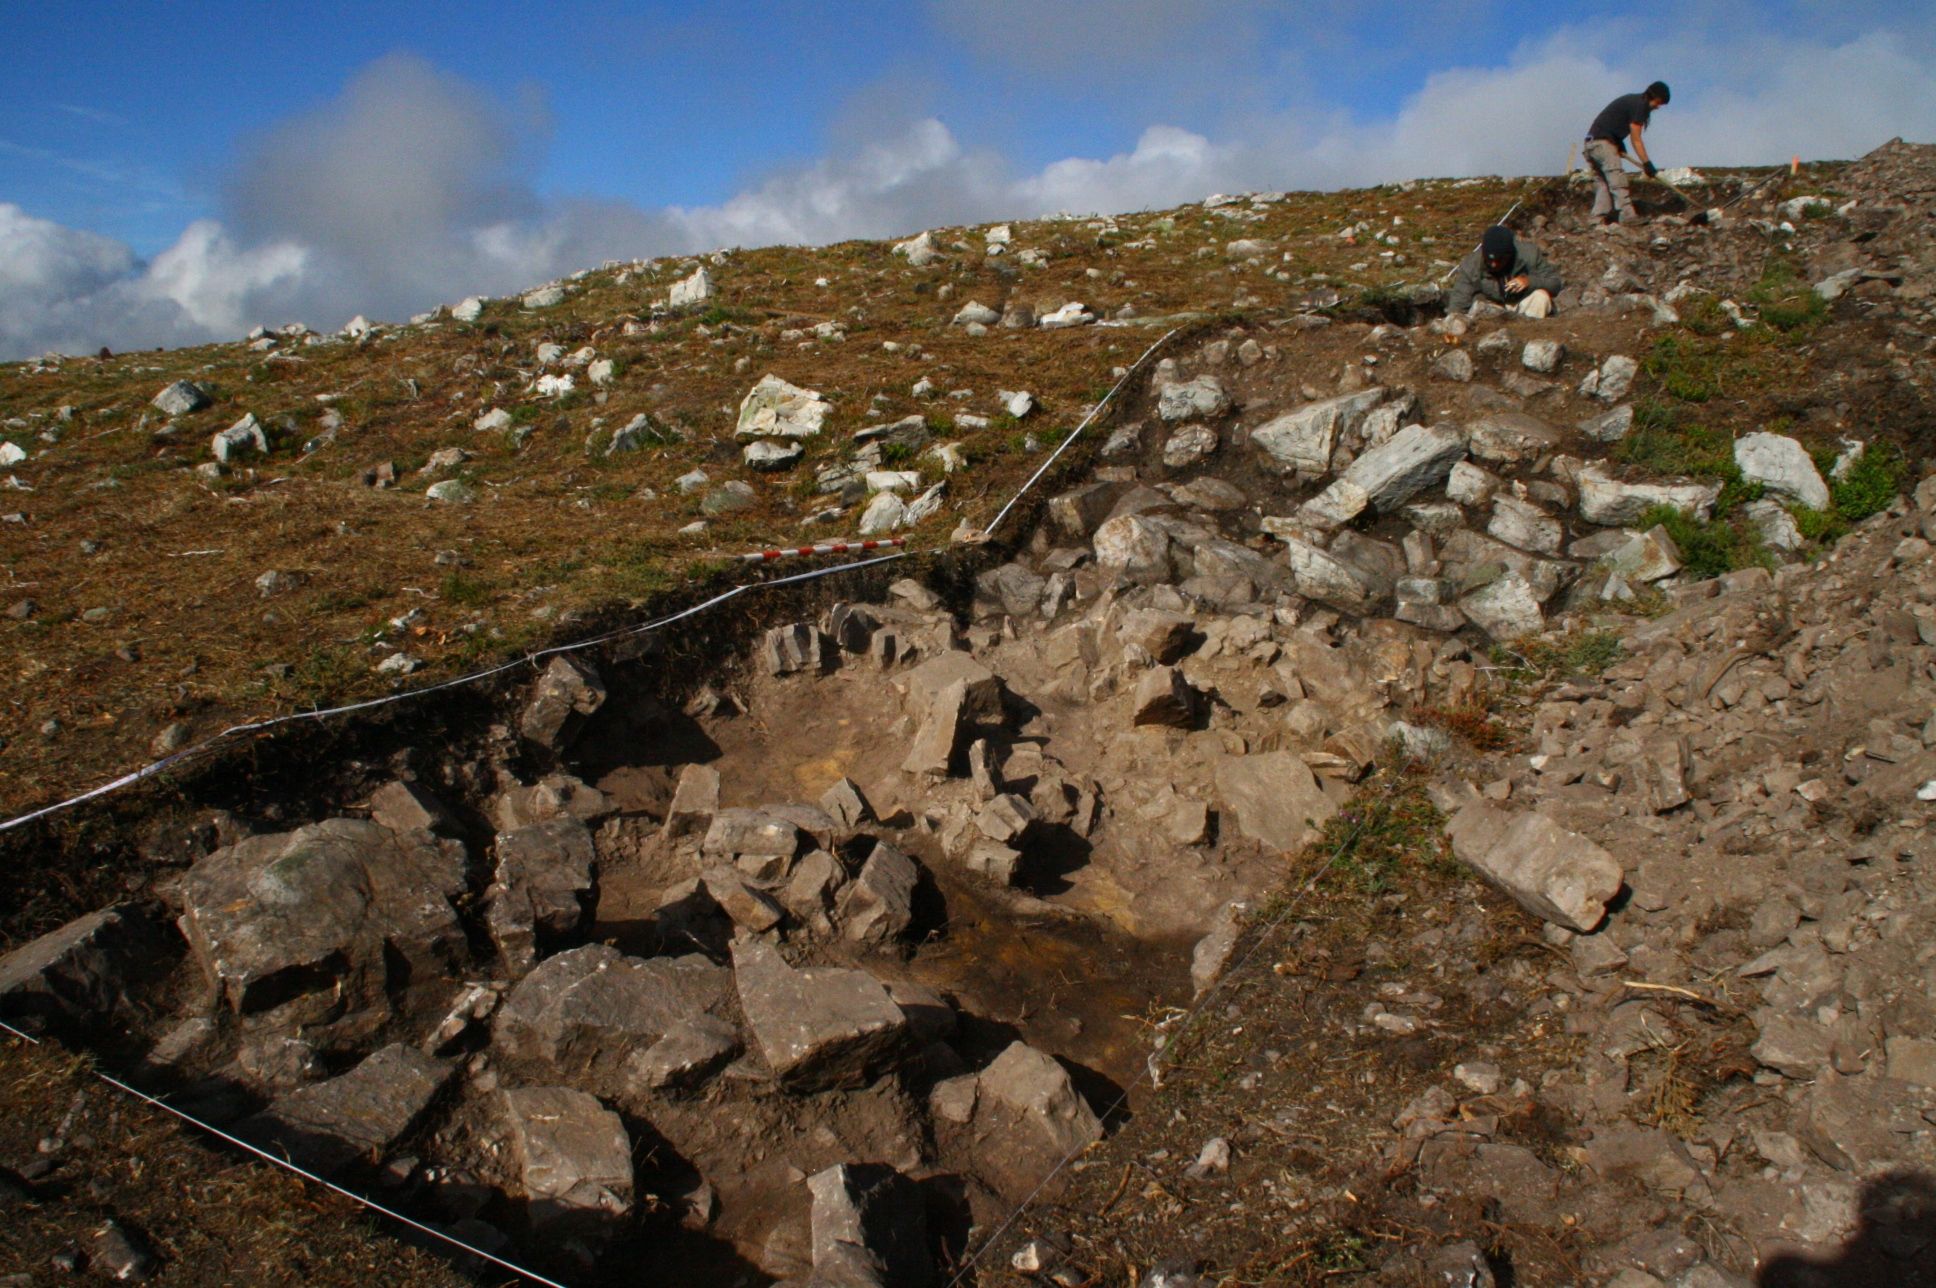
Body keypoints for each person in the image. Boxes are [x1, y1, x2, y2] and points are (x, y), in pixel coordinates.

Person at [1585, 81, 1670, 226]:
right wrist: (1647, 163)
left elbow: (1611, 122)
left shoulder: (1633, 101)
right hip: (1603, 144)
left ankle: (1596, 219)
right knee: (1617, 181)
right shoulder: (1640, 106)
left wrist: (1618, 143)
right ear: (1653, 97)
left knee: (1604, 183)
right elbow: (1636, 139)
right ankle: (1628, 216)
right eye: (1658, 102)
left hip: (1591, 144)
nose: (1657, 107)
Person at [1446, 225, 1563, 317]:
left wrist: (1530, 281)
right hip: (1492, 309)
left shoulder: (1530, 254)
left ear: (1509, 254)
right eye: (1489, 260)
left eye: (1499, 260)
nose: (1493, 264)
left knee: (1541, 297)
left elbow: (1555, 283)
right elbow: (1459, 301)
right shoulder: (1471, 264)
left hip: (1524, 304)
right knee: (1477, 303)